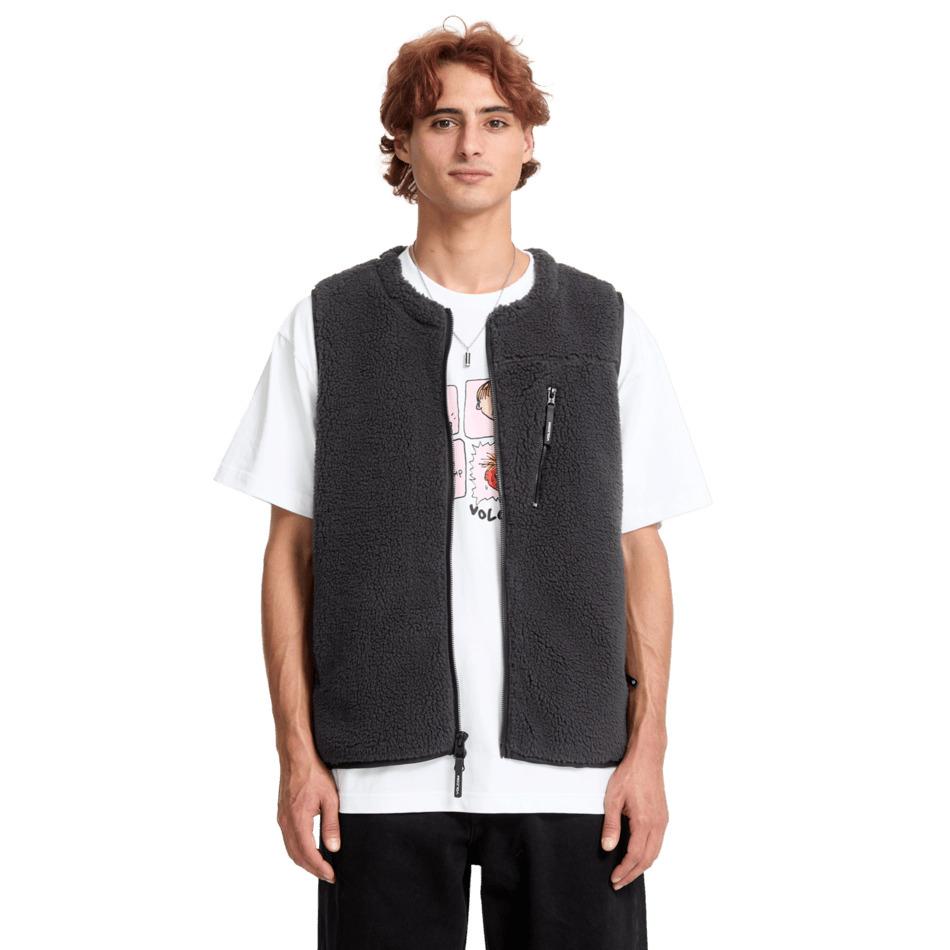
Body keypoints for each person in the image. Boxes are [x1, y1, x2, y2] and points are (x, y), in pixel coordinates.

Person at [214, 17, 711, 950]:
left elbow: (640, 550)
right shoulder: (330, 322)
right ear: (404, 144)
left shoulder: (601, 324)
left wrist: (648, 751)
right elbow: (290, 552)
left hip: (575, 775)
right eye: (442, 121)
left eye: (494, 120)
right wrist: (296, 757)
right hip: (376, 778)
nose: (470, 143)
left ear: (526, 142)